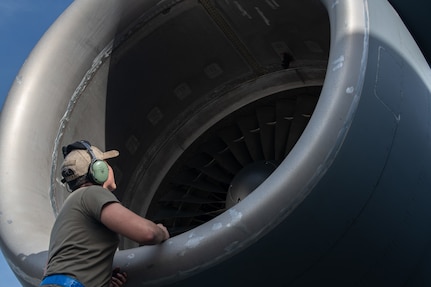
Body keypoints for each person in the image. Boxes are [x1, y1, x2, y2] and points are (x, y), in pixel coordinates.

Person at [40, 140, 170, 287]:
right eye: (107, 164)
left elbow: (48, 271)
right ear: (99, 169)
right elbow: (147, 233)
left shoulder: (66, 212)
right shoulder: (92, 193)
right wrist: (162, 231)